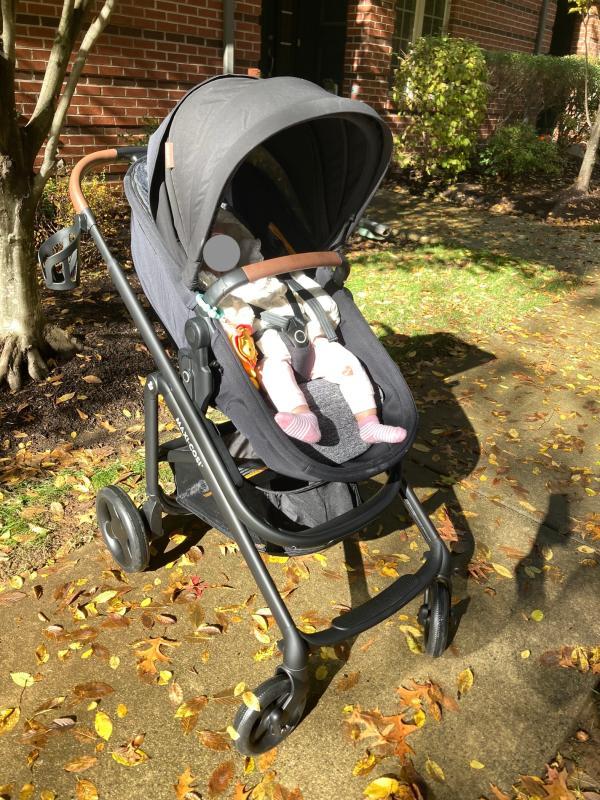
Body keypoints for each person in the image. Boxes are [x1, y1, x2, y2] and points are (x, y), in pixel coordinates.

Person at [199, 209, 407, 446]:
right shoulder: (225, 294)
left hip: (314, 340)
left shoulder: (277, 273)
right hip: (274, 351)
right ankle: (302, 416)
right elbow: (235, 321)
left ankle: (368, 422)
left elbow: (307, 293)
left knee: (349, 366)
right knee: (272, 374)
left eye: (225, 241)